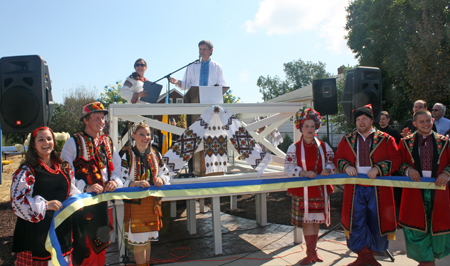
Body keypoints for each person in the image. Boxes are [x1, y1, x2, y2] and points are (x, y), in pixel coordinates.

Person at [334, 104, 401, 266]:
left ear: (372, 120)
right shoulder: (347, 139)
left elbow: (397, 159)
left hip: (379, 190)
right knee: (356, 221)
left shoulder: (386, 139)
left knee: (377, 221)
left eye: (364, 118)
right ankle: (364, 257)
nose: (361, 122)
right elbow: (338, 158)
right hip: (355, 189)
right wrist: (346, 166)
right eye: (358, 119)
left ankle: (369, 256)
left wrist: (378, 168)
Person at [61, 101, 124, 266]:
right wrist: (84, 187)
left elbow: (118, 169)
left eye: (103, 118)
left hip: (104, 204)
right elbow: (65, 174)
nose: (101, 121)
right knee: (85, 247)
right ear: (85, 120)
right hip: (83, 205)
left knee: (102, 245)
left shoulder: (107, 142)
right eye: (96, 118)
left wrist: (114, 182)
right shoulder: (73, 142)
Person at [11, 127, 80, 265]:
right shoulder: (27, 171)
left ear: (54, 142)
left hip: (61, 230)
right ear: (33, 144)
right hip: (36, 235)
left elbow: (70, 190)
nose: (46, 143)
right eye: (41, 139)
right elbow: (17, 202)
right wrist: (46, 205)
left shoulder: (63, 167)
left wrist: (77, 201)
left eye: (49, 139)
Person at [398, 109, 450, 266]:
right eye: (422, 121)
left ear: (432, 121)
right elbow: (398, 162)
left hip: (439, 191)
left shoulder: (444, 142)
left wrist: (446, 174)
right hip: (414, 191)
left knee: (438, 224)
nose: (426, 124)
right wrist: (409, 170)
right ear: (415, 124)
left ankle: (432, 259)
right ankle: (425, 261)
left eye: (428, 121)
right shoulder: (406, 142)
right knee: (416, 225)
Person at [284, 108, 335, 265]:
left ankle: (314, 252)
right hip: (303, 191)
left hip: (319, 191)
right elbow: (288, 167)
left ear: (316, 127)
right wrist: (302, 172)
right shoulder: (294, 148)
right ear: (301, 127)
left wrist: (328, 169)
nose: (310, 129)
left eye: (312, 126)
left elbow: (332, 162)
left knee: (316, 220)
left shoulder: (324, 146)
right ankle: (310, 253)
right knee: (307, 221)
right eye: (306, 126)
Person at [121, 121, 173, 266]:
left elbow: (166, 173)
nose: (146, 137)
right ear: (134, 136)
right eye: (141, 134)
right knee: (139, 242)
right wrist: (133, 184)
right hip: (135, 205)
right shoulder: (127, 155)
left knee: (147, 240)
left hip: (152, 204)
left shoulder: (155, 154)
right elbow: (120, 178)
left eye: (148, 134)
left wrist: (160, 179)